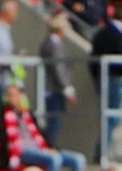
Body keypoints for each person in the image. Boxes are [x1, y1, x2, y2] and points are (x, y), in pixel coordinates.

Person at [0, 83, 84, 171]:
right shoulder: (0, 115)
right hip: (21, 151)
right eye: (9, 96)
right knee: (55, 159)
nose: (11, 98)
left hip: (40, 149)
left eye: (14, 95)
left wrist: (52, 147)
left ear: (21, 96)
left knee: (79, 159)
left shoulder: (28, 114)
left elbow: (41, 134)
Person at [91, 4, 122, 157]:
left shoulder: (101, 32)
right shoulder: (117, 34)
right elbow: (121, 58)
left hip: (101, 78)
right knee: (112, 117)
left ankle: (103, 150)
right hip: (113, 79)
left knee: (108, 116)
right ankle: (102, 152)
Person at [39, 12, 75, 148]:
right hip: (53, 89)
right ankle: (49, 146)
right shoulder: (53, 45)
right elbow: (58, 68)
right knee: (54, 120)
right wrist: (67, 88)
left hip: (54, 89)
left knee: (55, 120)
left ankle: (49, 145)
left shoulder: (53, 43)